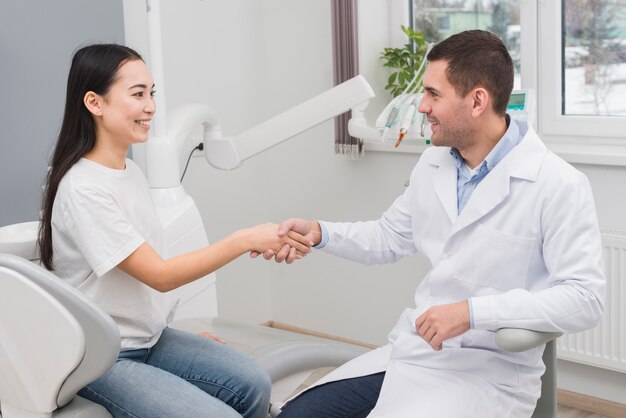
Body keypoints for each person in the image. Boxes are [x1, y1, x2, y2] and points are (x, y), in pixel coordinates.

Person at [265, 30, 606, 417]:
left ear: (477, 100)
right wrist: (321, 232)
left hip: (487, 373)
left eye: (433, 94)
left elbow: (585, 299)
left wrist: (472, 313)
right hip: (414, 353)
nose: (422, 106)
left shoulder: (556, 183)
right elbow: (390, 236)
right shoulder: (434, 162)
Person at [37, 43, 311, 418]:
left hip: (148, 340)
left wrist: (177, 342)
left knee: (252, 382)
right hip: (101, 356)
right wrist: (244, 239)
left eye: (152, 93)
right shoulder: (83, 188)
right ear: (94, 103)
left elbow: (140, 282)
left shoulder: (130, 173)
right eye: (137, 94)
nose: (150, 106)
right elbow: (160, 276)